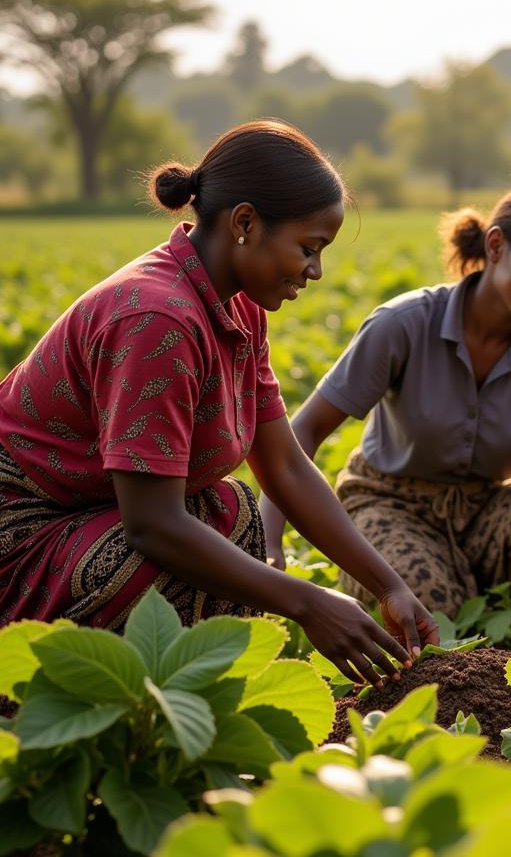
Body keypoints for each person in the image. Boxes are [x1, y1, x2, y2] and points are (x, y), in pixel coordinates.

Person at [0, 120, 437, 687]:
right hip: (21, 534)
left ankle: (185, 708)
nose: (315, 270)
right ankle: (60, 710)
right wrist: (309, 604)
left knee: (233, 512)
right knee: (153, 560)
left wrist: (389, 586)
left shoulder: (238, 308)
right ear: (246, 224)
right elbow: (152, 526)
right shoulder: (157, 319)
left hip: (87, 517)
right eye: (308, 248)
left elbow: (282, 464)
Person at [261, 182, 511, 643]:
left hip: (482, 510)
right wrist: (270, 544)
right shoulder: (405, 323)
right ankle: (432, 595)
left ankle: (496, 619)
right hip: (389, 502)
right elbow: (305, 432)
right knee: (427, 606)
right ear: (496, 245)